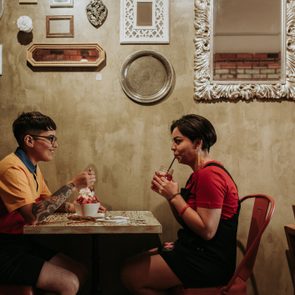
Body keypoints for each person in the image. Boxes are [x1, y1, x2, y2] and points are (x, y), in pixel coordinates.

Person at [121, 114, 240, 294]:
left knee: (130, 274)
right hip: (198, 251)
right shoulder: (198, 175)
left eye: (178, 141)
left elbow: (207, 230)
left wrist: (175, 196)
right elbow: (189, 222)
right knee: (132, 262)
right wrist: (170, 196)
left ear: (197, 143)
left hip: (209, 261)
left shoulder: (210, 175)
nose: (173, 147)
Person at [0, 111, 97, 295]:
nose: (55, 145)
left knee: (81, 271)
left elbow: (48, 202)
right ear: (29, 140)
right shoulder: (12, 168)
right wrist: (73, 184)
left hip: (20, 243)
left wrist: (81, 206)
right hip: (4, 249)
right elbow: (33, 215)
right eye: (51, 139)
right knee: (69, 283)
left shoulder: (31, 166)